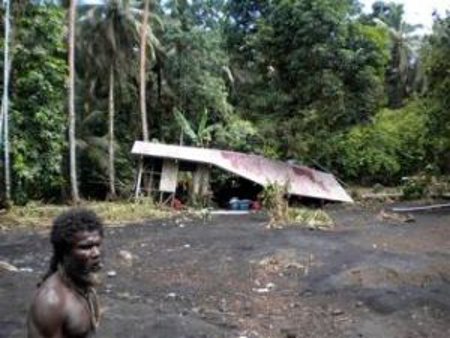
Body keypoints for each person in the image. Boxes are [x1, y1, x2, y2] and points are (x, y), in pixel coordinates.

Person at [27, 208, 104, 338]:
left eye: (98, 244)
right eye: (85, 247)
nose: (96, 253)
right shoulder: (52, 303)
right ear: (64, 252)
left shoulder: (81, 281)